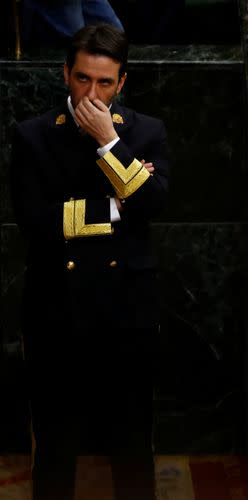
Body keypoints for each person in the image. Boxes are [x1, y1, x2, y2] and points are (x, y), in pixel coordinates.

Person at [10, 23, 168, 500]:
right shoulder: (33, 136)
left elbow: (156, 206)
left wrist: (108, 145)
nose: (91, 93)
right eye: (82, 79)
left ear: (122, 83)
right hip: (57, 308)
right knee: (56, 444)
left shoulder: (144, 132)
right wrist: (120, 205)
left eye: (104, 82)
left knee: (133, 441)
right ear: (65, 74)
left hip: (128, 310)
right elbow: (35, 220)